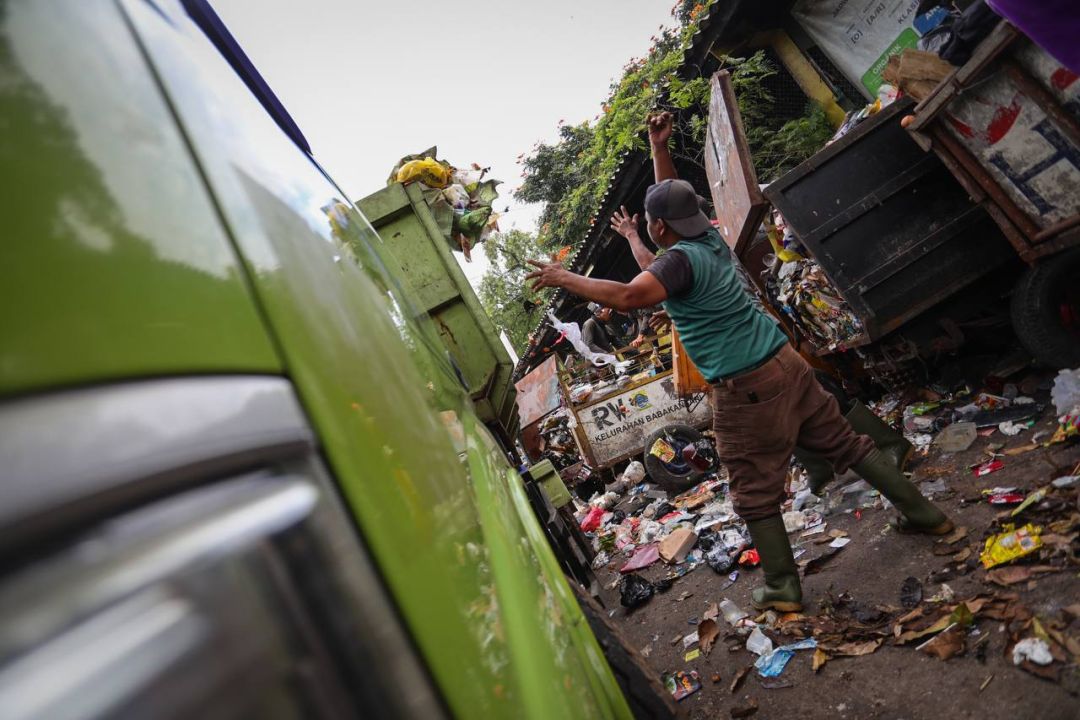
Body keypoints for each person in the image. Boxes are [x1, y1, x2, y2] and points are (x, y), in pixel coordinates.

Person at [526, 111, 952, 613]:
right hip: (786, 364)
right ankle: (924, 513)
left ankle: (782, 588)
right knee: (845, 443)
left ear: (658, 229)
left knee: (751, 489)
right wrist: (658, 149)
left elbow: (625, 296)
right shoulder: (704, 239)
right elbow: (670, 204)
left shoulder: (677, 262)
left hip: (746, 387)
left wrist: (565, 277)